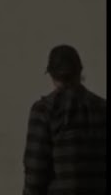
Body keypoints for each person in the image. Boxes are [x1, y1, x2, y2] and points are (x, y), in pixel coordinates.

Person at [24, 44, 107, 195]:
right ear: (80, 71)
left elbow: (35, 174)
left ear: (52, 75)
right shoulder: (102, 108)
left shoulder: (44, 110)